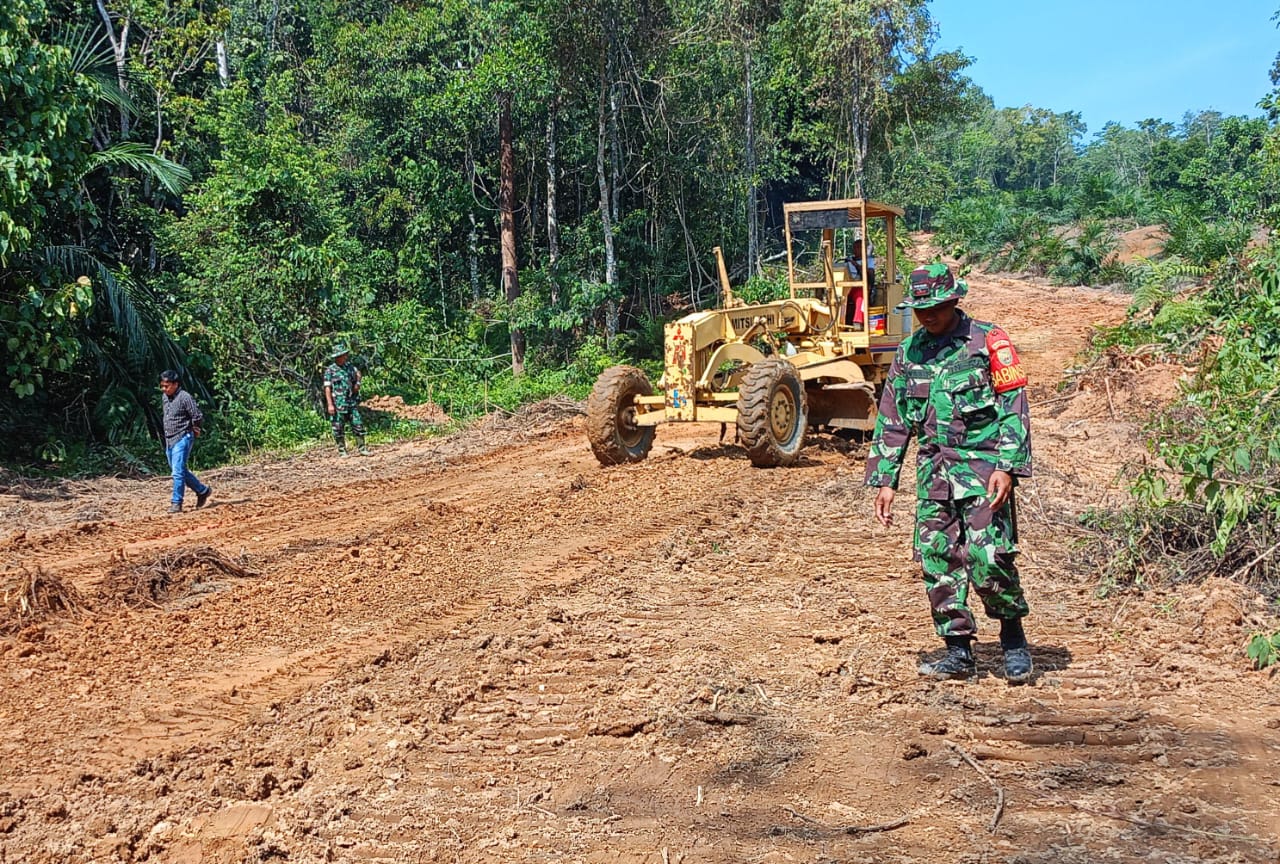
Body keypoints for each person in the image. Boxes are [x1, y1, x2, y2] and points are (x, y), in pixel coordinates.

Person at [864, 263, 1034, 683]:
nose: (927, 316)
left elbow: (1014, 407)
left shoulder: (988, 342)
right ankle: (957, 650)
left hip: (983, 471)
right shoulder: (909, 353)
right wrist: (887, 480)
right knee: (938, 560)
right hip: (934, 474)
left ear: (954, 300)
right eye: (920, 310)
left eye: (935, 307)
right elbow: (894, 419)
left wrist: (1008, 467)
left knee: (988, 557)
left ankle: (1013, 637)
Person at [159, 370, 212, 514]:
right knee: (179, 470)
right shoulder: (165, 397)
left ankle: (176, 503)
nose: (164, 389)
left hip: (183, 437)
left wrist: (196, 428)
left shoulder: (184, 397)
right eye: (162, 386)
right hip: (170, 439)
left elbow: (197, 415)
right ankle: (202, 491)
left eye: (167, 386)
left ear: (176, 384)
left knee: (177, 472)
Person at [324, 343, 370, 457]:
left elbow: (358, 374)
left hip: (351, 402)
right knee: (338, 428)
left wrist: (357, 383)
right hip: (338, 404)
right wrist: (330, 405)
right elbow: (327, 388)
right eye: (343, 355)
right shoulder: (330, 370)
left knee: (358, 424)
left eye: (345, 354)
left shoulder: (349, 367)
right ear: (337, 357)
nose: (345, 357)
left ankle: (362, 448)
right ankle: (342, 450)